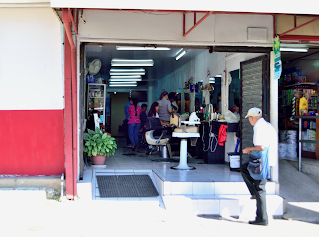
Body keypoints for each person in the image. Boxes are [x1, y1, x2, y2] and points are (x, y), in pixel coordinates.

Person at [241, 107, 277, 226]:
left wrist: (248, 149)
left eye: (249, 119)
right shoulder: (266, 125)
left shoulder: (258, 127)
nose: (249, 121)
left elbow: (261, 146)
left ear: (251, 118)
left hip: (263, 161)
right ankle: (254, 195)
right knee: (245, 169)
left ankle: (262, 218)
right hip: (266, 160)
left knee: (260, 189)